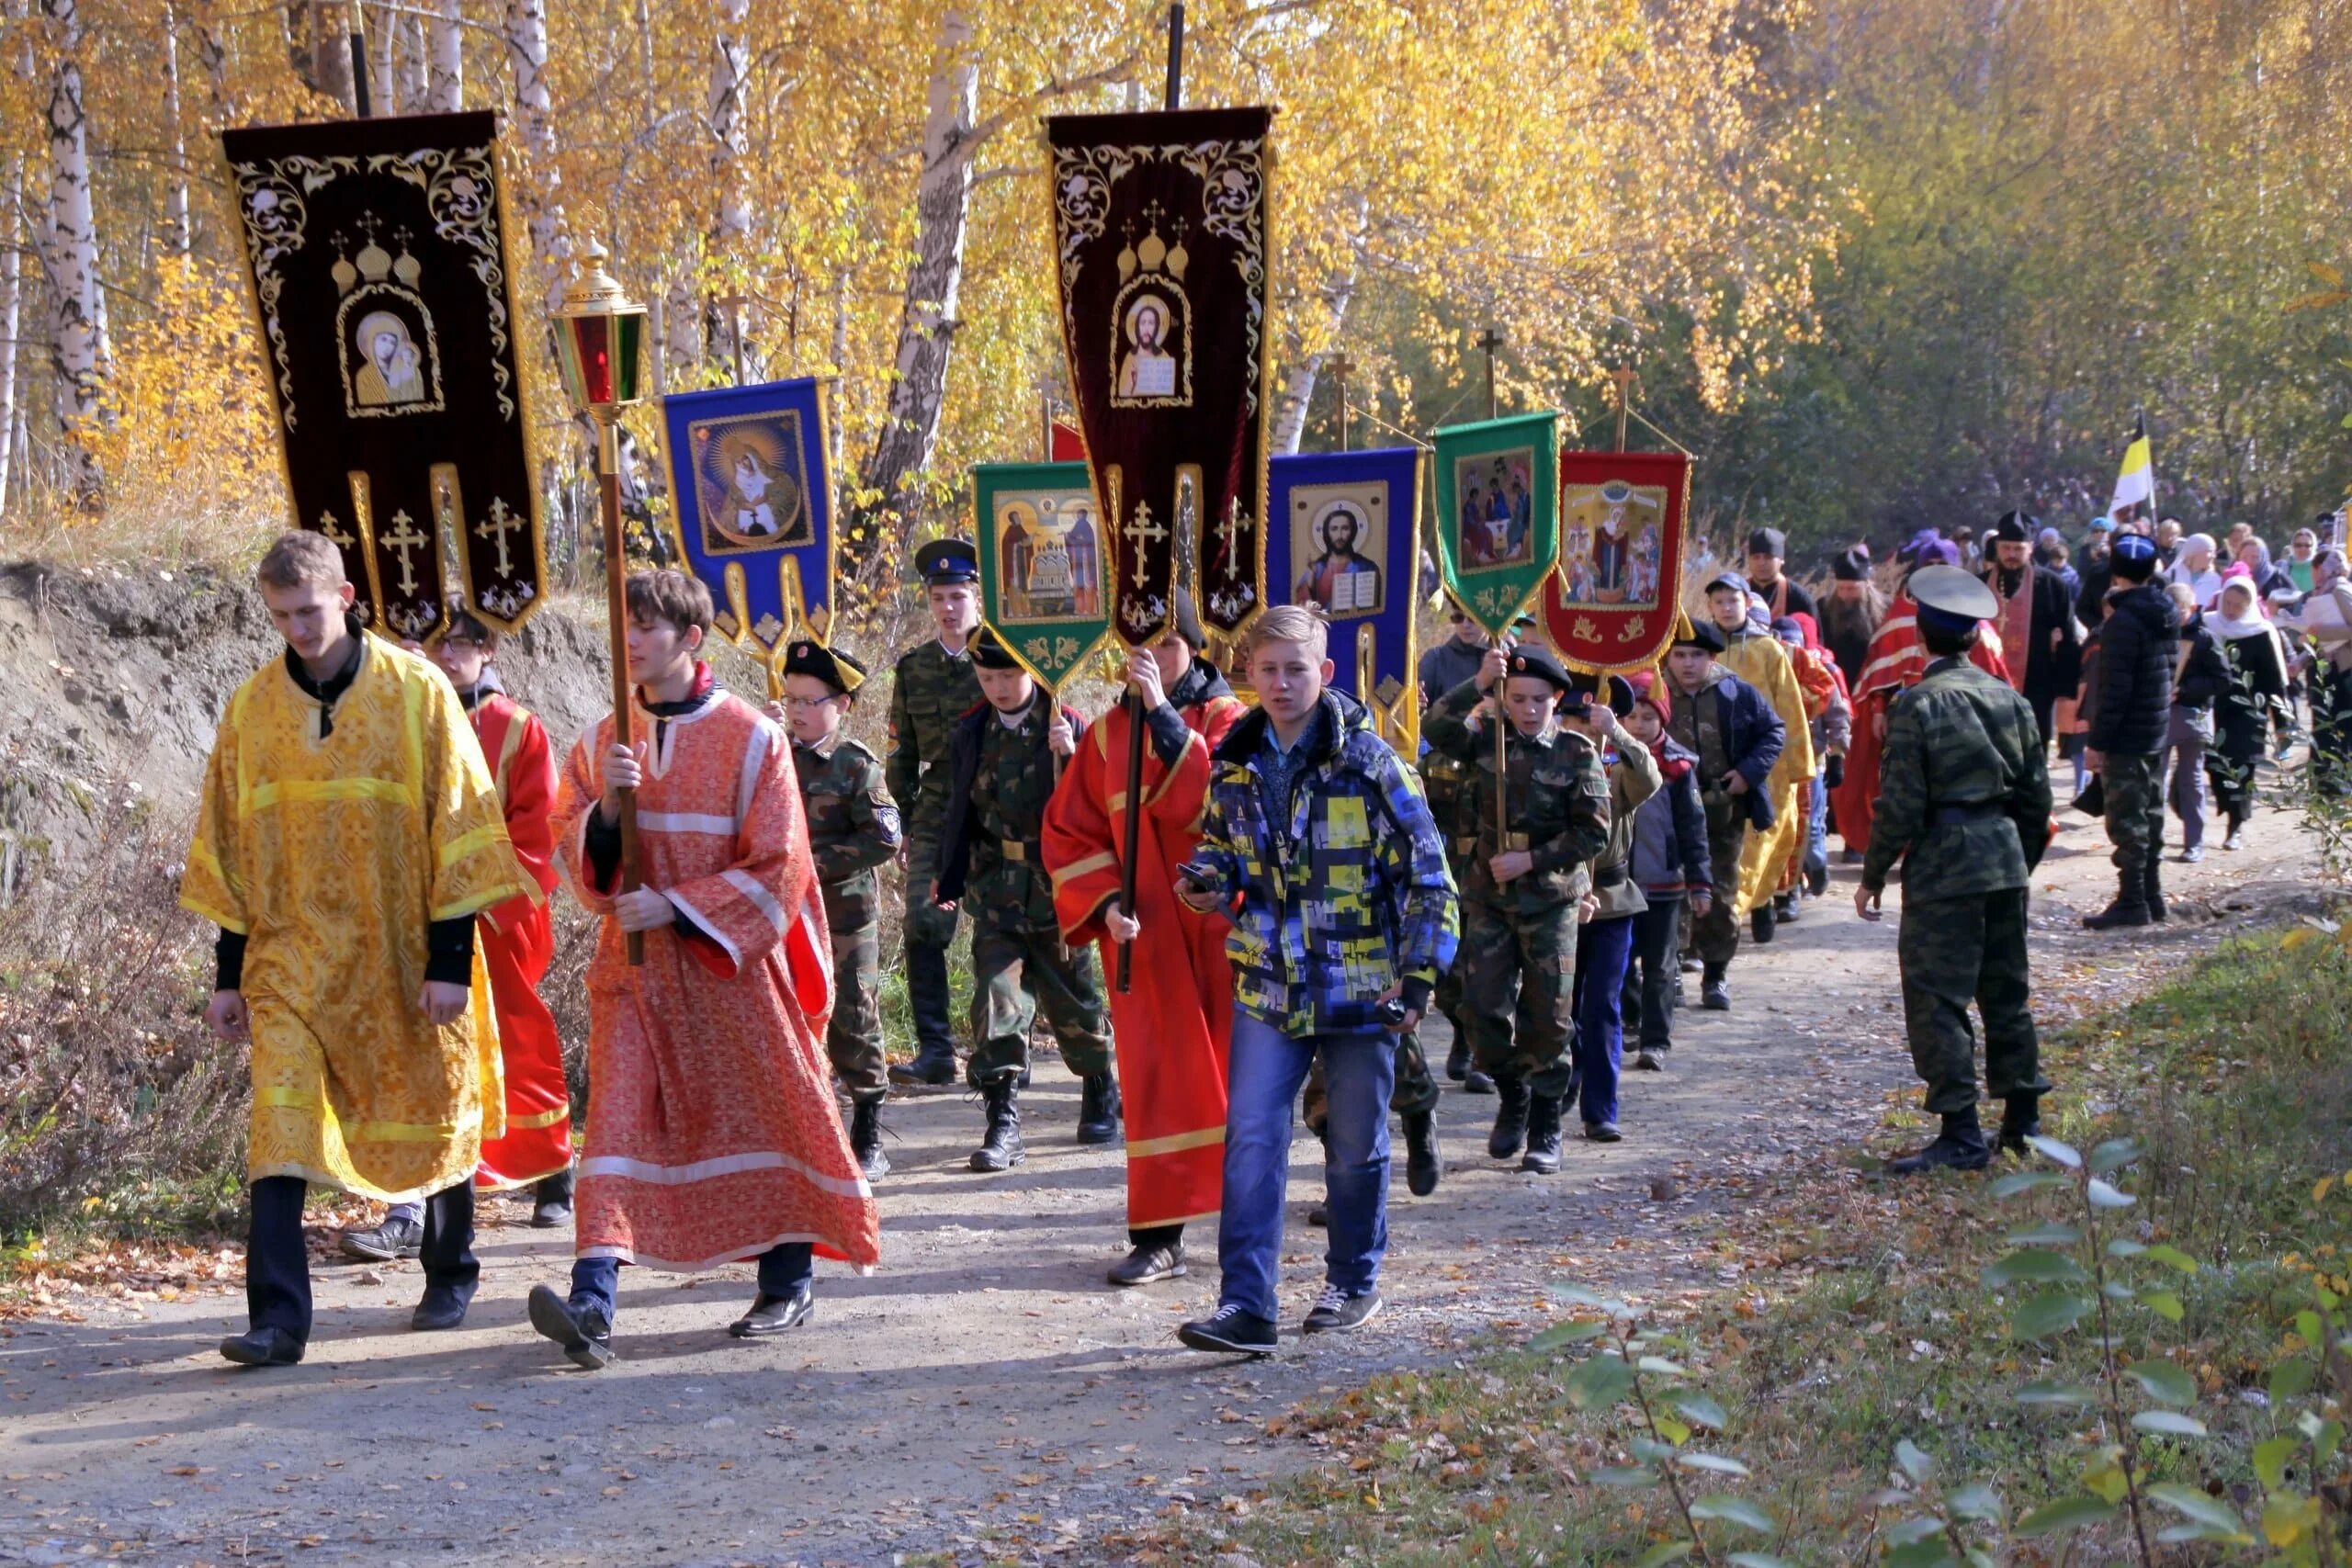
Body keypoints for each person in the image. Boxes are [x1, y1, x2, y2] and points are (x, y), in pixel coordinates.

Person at [184, 532, 536, 1366]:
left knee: (434, 1099)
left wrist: (449, 961)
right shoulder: (251, 710)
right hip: (290, 962)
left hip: (404, 950)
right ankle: (277, 1318)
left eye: (309, 609)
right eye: (280, 615)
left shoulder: (417, 692)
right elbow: (230, 849)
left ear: (345, 597)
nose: (297, 629)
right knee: (278, 1127)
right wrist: (227, 975)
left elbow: (461, 827)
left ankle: (449, 1267)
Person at [529, 570, 880, 1368]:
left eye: (646, 629)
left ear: (690, 640)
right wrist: (607, 814)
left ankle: (787, 1278)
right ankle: (593, 1300)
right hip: (633, 973)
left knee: (766, 1113)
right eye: (626, 626)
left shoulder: (753, 737)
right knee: (616, 1125)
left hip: (731, 970)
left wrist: (681, 906)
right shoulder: (600, 740)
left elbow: (783, 864)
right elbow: (569, 842)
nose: (631, 642)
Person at [1173, 607, 1457, 1354]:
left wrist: (1419, 978)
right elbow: (1222, 847)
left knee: (1354, 1141)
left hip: (1359, 984)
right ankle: (1246, 1304)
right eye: (1266, 669)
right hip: (1268, 981)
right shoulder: (1232, 761)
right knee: (1254, 1136)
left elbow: (1431, 879)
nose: (1281, 683)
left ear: (1325, 673)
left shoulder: (1372, 764)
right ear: (1249, 674)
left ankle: (1352, 1279)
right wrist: (1209, 878)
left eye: (1295, 668)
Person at [339, 599, 571, 1266]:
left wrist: (479, 901)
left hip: (494, 917)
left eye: (461, 645)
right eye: (436, 644)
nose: (446, 656)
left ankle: (554, 1168)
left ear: (488, 650)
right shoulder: (395, 719)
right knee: (416, 1054)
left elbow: (537, 830)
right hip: (410, 918)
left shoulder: (517, 728)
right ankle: (408, 1206)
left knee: (517, 1043)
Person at [1043, 591, 1247, 1286]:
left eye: (1166, 643)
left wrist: (1162, 715)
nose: (1151, 658)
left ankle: (1249, 1228)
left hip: (1219, 939)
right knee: (1157, 1080)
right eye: (1140, 644)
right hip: (1146, 941)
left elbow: (1211, 801)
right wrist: (1103, 905)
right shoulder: (1103, 736)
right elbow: (1070, 830)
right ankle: (1158, 1235)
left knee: (1237, 1083)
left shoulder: (1226, 718)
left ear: (1194, 648)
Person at [1854, 565, 2052, 1174]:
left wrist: (1874, 871)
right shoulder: (2010, 700)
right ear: (1973, 637)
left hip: (1944, 863)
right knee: (2006, 991)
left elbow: (1903, 801)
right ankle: (2022, 1120)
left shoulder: (1917, 704)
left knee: (1938, 996)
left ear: (1921, 640)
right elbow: (2037, 797)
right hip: (2002, 858)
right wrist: (2015, 855)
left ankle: (1961, 1131)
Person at [929, 629, 1113, 1169]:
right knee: (996, 998)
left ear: (1031, 671)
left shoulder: (1067, 724)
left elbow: (1101, 805)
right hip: (997, 889)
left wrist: (1074, 756)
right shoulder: (972, 730)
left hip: (1058, 887)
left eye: (1008, 675)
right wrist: (948, 873)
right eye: (988, 678)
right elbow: (957, 805)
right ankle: (1003, 1121)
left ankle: (1099, 1084)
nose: (1000, 688)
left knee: (1072, 1000)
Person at [1424, 642, 1611, 1169]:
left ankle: (1545, 1125)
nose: (1528, 709)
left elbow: (1594, 832)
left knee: (1549, 1016)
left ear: (1556, 699)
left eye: (1539, 700)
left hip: (1550, 901)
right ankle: (1513, 1092)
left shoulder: (1577, 754)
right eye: (1517, 698)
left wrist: (1531, 860)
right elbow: (1436, 727)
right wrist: (1479, 682)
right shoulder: (1486, 739)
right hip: (1488, 898)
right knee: (1478, 1008)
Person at [774, 639, 902, 1180]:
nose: (799, 712)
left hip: (845, 915)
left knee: (852, 1015)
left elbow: (884, 840)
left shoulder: (856, 767)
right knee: (789, 1018)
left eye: (810, 701)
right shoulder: (773, 755)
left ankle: (868, 1127)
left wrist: (809, 864)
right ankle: (800, 1130)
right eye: (792, 700)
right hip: (784, 918)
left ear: (841, 705)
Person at [1832, 542, 2012, 861]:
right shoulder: (1903, 610)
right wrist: (1876, 709)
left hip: (1964, 720)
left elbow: (1996, 682)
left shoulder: (1976, 620)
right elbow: (1880, 665)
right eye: (1930, 564)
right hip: (1909, 718)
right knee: (1908, 787)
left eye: (1943, 564)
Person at [1415, 606, 1528, 1095]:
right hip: (1452, 865)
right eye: (1456, 614)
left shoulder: (1514, 739)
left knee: (1494, 973)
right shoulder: (1456, 741)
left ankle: (1488, 1053)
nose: (1465, 622)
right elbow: (1434, 726)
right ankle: (1463, 1035)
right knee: (1451, 968)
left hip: (1502, 867)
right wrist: (1475, 688)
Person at [888, 540, 986, 1086]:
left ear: (976, 598)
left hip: (993, 807)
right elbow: (902, 753)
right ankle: (936, 1050)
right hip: (936, 811)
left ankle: (999, 1048)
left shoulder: (999, 659)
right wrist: (901, 823)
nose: (948, 608)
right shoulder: (915, 668)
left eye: (957, 596)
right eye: (938, 598)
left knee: (999, 927)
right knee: (925, 924)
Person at [1660, 620, 1783, 1011]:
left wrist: (1748, 773)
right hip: (1668, 808)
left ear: (1712, 658)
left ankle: (1716, 973)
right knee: (1670, 888)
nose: (1687, 664)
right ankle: (1672, 970)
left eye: (1696, 655)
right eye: (1679, 655)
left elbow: (1773, 732)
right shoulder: (1656, 691)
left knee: (1719, 890)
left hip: (1722, 807)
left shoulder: (1735, 692)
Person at [1563, 672, 1659, 1142]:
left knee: (1602, 1006)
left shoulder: (1618, 774)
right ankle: (1562, 1084)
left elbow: (1650, 777)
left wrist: (1618, 733)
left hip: (1611, 905)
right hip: (1560, 903)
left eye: (1591, 720)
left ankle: (1600, 1108)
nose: (1583, 729)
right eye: (1574, 719)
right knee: (1557, 1007)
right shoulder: (1550, 768)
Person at [1701, 576, 1816, 944]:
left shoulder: (1769, 649)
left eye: (1733, 600)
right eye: (1719, 601)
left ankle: (1761, 900)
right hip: (1714, 758)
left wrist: (1797, 763)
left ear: (1747, 604)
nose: (1726, 607)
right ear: (1710, 607)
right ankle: (1725, 918)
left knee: (1762, 837)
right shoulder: (1701, 649)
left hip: (1764, 762)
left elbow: (1789, 707)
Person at [2082, 533, 2180, 930]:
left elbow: (2115, 690)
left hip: (2127, 735)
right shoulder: (2166, 610)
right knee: (2151, 815)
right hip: (2156, 727)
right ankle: (2152, 896)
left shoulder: (2123, 622)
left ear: (2116, 573)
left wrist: (2097, 743)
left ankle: (2132, 900)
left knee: (2127, 821)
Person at [1620, 671, 1710, 1072]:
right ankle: (1632, 1017)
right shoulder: (1608, 759)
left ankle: (1655, 1041)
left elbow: (1693, 828)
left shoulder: (1678, 767)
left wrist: (1700, 882)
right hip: (1619, 886)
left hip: (1663, 883)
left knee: (1660, 965)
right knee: (1620, 962)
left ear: (1664, 719)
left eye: (1648, 716)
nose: (1639, 725)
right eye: (1632, 716)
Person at [1981, 510, 2084, 748]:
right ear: (1997, 547)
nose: (2012, 555)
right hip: (1985, 688)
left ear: (2031, 548)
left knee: (2032, 754)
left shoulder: (2053, 586)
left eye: (2018, 549)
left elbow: (2068, 641)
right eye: (2006, 548)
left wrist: (2066, 693)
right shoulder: (1980, 584)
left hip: (2036, 687)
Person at [2206, 574, 2290, 849]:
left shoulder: (2261, 632)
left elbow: (2274, 682)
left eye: (2238, 606)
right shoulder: (2208, 625)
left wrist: (2282, 724)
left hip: (2248, 710)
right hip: (2211, 706)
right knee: (2214, 765)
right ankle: (2226, 810)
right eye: (2227, 602)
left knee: (2242, 766)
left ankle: (2236, 825)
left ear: (2250, 604)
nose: (2231, 610)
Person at [2160, 582, 2231, 865]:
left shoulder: (2205, 638)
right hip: (2161, 717)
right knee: (2157, 781)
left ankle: (2194, 843)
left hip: (2193, 716)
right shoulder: (2158, 634)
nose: (2175, 616)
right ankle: (2154, 843)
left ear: (2191, 608)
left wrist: (2186, 689)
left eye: (2180, 610)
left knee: (2191, 782)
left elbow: (2222, 678)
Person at [1820, 549, 1884, 694]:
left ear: (1866, 584)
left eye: (1852, 589)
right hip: (1834, 689)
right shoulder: (1823, 609)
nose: (1845, 595)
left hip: (1872, 689)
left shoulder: (1886, 610)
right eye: (1841, 588)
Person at [1744, 527, 1818, 623]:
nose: (1761, 563)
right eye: (1756, 557)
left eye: (1768, 557)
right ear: (1749, 560)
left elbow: (1814, 636)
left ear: (1781, 560)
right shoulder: (1738, 595)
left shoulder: (1799, 599)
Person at [2166, 533, 2224, 609]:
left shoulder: (2216, 580)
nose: (2214, 556)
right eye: (2210, 551)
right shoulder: (2172, 574)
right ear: (2194, 551)